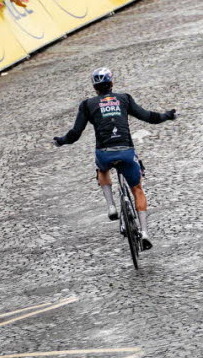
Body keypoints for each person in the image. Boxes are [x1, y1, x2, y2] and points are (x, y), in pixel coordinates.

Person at [52, 68, 176, 247]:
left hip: (104, 153)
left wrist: (60, 141)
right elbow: (148, 117)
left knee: (101, 169)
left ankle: (111, 205)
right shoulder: (124, 99)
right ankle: (145, 232)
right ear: (111, 84)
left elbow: (75, 134)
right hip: (126, 151)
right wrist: (167, 116)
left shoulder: (87, 105)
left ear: (95, 88)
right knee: (137, 189)